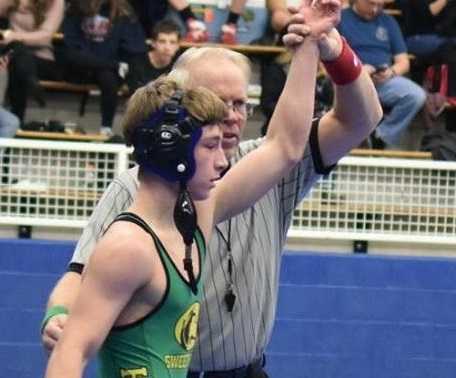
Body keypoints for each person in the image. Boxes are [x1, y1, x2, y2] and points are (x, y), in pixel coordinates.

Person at [42, 1, 383, 377]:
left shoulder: (203, 204)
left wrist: (315, 45)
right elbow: (77, 307)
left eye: (241, 104)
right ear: (180, 116)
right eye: (218, 108)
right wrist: (60, 315)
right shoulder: (134, 217)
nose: (233, 119)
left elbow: (287, 145)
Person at [338, 0, 427, 149]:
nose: (375, 9)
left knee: (417, 95)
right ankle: (354, 138)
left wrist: (391, 72)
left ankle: (381, 136)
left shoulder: (388, 21)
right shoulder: (340, 18)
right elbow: (327, 57)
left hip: (382, 81)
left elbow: (403, 62)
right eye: (371, 4)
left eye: (380, 6)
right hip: (350, 80)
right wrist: (355, 70)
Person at [62, 0, 147, 136]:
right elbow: (71, 51)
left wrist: (120, 64)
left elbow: (134, 48)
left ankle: (106, 128)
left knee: (108, 77)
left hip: (109, 73)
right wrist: (114, 64)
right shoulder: (77, 7)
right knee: (80, 61)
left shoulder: (124, 11)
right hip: (80, 69)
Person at [0, 0, 64, 123]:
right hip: (14, 54)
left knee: (17, 59)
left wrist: (16, 36)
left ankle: (16, 120)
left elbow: (44, 37)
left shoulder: (56, 2)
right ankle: (31, 81)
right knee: (17, 57)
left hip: (40, 57)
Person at [128, 19, 181, 93]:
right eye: (162, 41)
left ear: (178, 46)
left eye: (172, 42)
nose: (167, 47)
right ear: (153, 43)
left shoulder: (180, 64)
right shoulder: (137, 62)